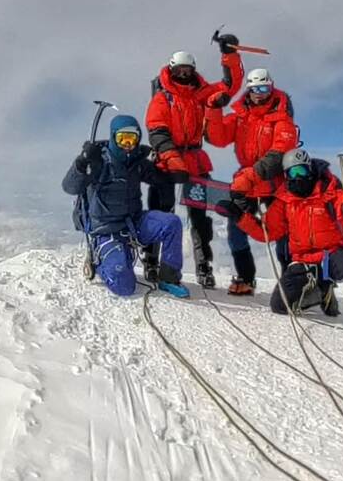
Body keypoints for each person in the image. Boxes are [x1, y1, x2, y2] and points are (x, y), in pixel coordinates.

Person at [235, 148, 343, 342]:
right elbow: (267, 232)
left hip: (332, 253)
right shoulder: (284, 201)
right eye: (293, 172)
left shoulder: (332, 194)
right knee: (279, 305)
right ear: (286, 175)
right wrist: (241, 218)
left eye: (302, 171)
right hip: (303, 258)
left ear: (310, 170)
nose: (298, 176)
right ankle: (320, 293)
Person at [145, 34, 244, 288]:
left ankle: (203, 265)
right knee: (160, 212)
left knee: (199, 217)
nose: (184, 73)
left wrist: (229, 54)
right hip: (167, 161)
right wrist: (172, 158)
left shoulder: (201, 93)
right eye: (179, 69)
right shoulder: (163, 98)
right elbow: (157, 131)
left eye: (188, 69)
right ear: (171, 69)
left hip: (195, 159)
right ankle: (151, 261)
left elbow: (230, 85)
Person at [62, 114, 190, 298]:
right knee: (124, 287)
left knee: (171, 223)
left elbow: (157, 178)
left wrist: (174, 176)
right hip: (107, 230)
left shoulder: (137, 163)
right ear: (114, 137)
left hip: (133, 223)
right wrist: (81, 163)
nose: (128, 144)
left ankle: (168, 278)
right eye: (122, 138)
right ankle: (100, 261)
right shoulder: (98, 161)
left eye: (132, 138)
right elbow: (70, 187)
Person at [205, 67, 298, 295]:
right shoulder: (240, 116)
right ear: (248, 90)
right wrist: (213, 109)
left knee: (282, 232)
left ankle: (291, 280)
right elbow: (218, 138)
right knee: (236, 228)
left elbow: (280, 153)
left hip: (274, 183)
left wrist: (250, 176)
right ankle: (246, 277)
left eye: (264, 87)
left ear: (271, 87)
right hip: (246, 182)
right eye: (255, 88)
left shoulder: (282, 117)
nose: (259, 93)